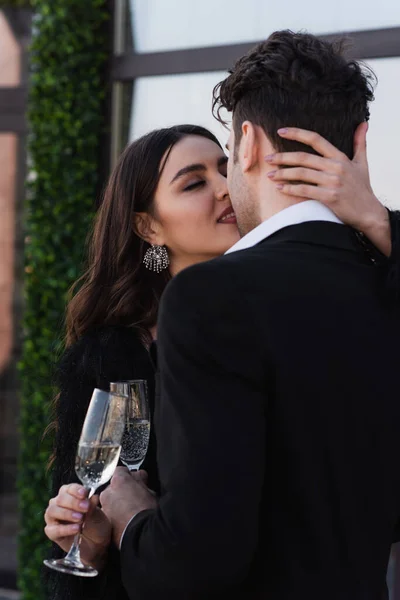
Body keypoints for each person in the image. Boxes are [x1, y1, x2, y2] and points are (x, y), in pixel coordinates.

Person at [92, 31, 400, 600]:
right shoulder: (381, 280)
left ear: (250, 145)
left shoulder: (212, 298)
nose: (224, 185)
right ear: (360, 138)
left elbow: (196, 564)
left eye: (226, 157)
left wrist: (133, 517)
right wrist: (381, 222)